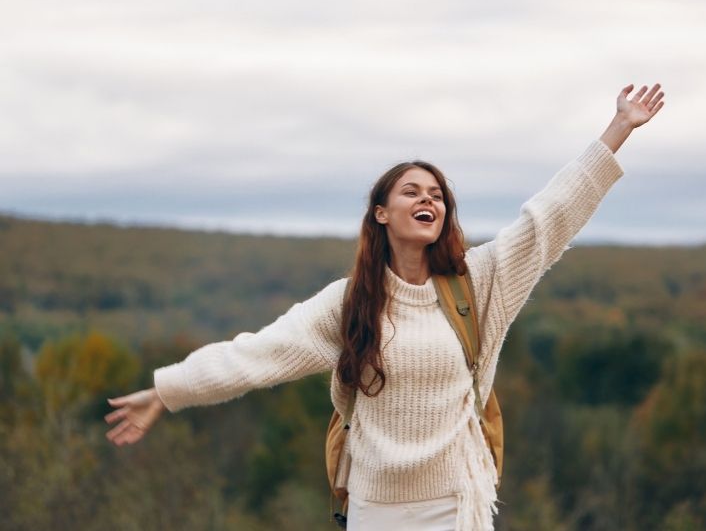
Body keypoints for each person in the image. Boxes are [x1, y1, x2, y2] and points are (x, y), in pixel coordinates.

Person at [105, 83, 665, 530]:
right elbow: (257, 354)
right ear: (380, 213)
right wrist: (167, 389)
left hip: (456, 503)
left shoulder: (478, 281)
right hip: (376, 508)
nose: (428, 199)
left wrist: (618, 128)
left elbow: (549, 216)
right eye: (412, 191)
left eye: (437, 194)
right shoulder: (350, 303)